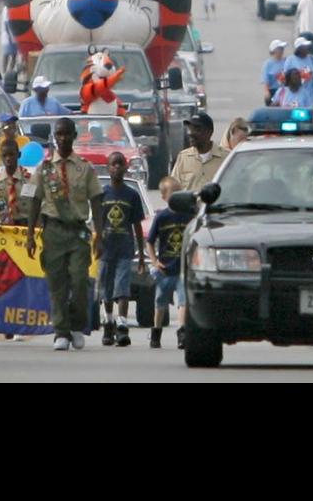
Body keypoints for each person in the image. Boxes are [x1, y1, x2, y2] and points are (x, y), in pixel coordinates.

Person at [24, 117, 105, 352]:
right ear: (54, 137)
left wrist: (100, 234)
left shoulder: (85, 168)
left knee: (80, 281)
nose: (62, 138)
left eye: (66, 133)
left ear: (74, 136)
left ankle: (77, 326)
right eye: (58, 134)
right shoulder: (44, 169)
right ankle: (61, 331)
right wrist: (30, 235)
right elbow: (34, 202)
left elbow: (97, 201)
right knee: (56, 283)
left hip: (78, 232)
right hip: (53, 231)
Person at [96, 152, 147, 347]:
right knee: (106, 290)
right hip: (106, 250)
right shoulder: (103, 195)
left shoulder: (132, 196)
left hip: (125, 249)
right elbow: (98, 223)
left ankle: (122, 325)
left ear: (126, 168)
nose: (117, 167)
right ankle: (108, 322)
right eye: (113, 164)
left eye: (120, 164)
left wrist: (141, 255)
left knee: (122, 288)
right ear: (108, 168)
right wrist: (97, 243)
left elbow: (136, 226)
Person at [146, 176, 192, 349]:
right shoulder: (161, 217)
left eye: (180, 194)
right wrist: (154, 261)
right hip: (165, 269)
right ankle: (156, 332)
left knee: (183, 301)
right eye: (174, 194)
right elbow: (150, 241)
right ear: (164, 197)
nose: (178, 198)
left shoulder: (189, 216)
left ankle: (182, 333)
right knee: (160, 302)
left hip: (182, 269)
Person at [170, 113, 230, 193]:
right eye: (190, 129)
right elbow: (173, 189)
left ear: (209, 132)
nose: (191, 133)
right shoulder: (183, 157)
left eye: (197, 129)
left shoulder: (226, 158)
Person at [0, 138, 27, 225]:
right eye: (4, 155)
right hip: (5, 226)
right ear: (1, 157)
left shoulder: (28, 179)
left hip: (26, 224)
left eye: (11, 155)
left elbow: (36, 207)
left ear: (19, 155)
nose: (8, 158)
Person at [284, 38, 313, 107]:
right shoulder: (290, 60)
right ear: (299, 48)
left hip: (311, 96)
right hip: (296, 96)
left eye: (307, 45)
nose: (307, 47)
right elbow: (287, 77)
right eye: (305, 46)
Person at [260, 40, 287, 106]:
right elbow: (266, 80)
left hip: (284, 91)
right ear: (274, 50)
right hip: (273, 91)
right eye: (280, 48)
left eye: (282, 48)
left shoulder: (287, 61)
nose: (282, 50)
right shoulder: (268, 64)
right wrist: (267, 92)